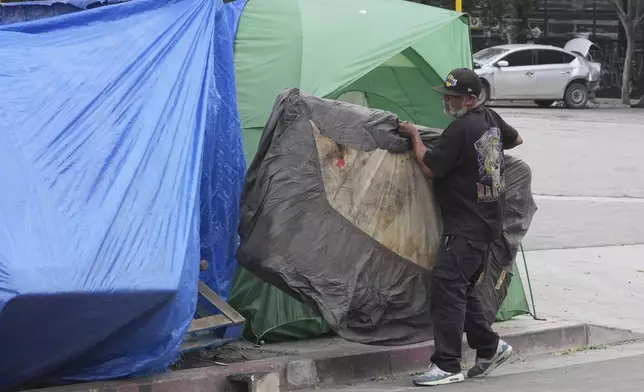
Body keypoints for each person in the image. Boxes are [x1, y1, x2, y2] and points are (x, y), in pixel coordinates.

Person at [397, 68, 523, 387]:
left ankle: (447, 364)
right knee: (461, 290)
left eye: (451, 97)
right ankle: (490, 347)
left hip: (465, 227)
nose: (446, 102)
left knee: (447, 291)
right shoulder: (490, 118)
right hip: (487, 224)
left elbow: (428, 166)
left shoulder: (460, 130)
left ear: (469, 98)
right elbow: (517, 139)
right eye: (445, 95)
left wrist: (413, 135)